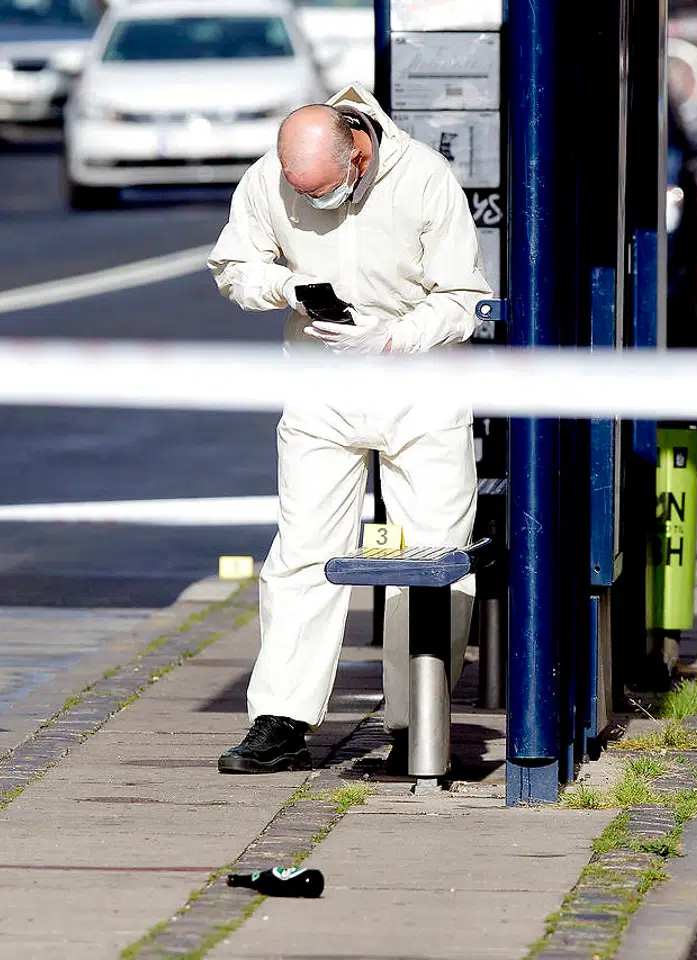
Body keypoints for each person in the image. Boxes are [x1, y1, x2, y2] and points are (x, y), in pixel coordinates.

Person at [207, 84, 491, 774]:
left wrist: (394, 338)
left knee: (431, 556)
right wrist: (286, 288)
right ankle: (280, 717)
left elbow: (466, 298)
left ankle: (412, 718)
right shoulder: (272, 177)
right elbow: (233, 265)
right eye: (299, 191)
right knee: (302, 550)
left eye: (323, 191)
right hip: (321, 383)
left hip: (420, 384)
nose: (310, 203)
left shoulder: (424, 177)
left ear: (358, 156)